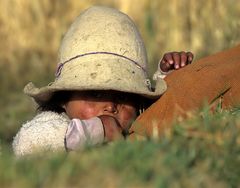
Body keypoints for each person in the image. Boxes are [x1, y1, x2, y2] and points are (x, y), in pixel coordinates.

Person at [12, 6, 193, 156]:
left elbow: (161, 112)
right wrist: (97, 130)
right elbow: (28, 142)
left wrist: (169, 77)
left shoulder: (134, 126)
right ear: (63, 99)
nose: (111, 107)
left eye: (123, 96)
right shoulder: (55, 123)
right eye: (96, 93)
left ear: (138, 101)